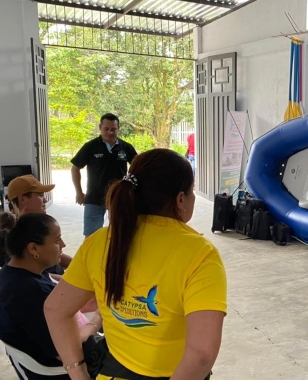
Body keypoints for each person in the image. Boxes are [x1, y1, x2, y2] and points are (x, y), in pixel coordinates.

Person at [45, 149, 227, 380]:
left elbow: (55, 309)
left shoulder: (99, 241)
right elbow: (201, 355)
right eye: (191, 192)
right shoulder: (200, 254)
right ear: (180, 199)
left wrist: (77, 372)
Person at [0, 213, 102, 380]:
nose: (63, 244)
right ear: (33, 249)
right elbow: (71, 350)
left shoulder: (8, 275)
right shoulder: (30, 295)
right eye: (57, 240)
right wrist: (98, 318)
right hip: (62, 368)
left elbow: (63, 284)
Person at [71, 113, 137, 237]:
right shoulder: (90, 147)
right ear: (100, 127)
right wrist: (79, 193)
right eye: (106, 129)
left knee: (121, 234)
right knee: (91, 236)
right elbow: (75, 169)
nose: (110, 132)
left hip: (118, 197)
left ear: (118, 128)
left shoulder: (126, 148)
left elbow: (138, 166)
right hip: (94, 197)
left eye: (113, 129)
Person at [0, 174, 72, 278]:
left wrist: (80, 266)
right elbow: (23, 275)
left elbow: (57, 253)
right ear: (23, 199)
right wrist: (68, 282)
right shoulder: (11, 232)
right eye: (40, 195)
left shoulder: (37, 223)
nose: (45, 200)